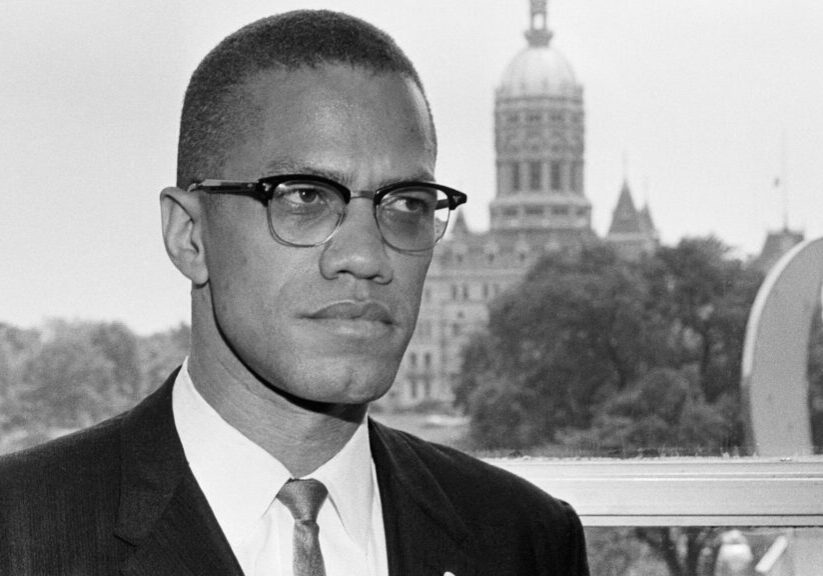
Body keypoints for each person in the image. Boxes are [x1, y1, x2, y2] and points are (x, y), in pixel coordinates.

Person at [0, 10, 589, 575]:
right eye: (304, 196)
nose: (365, 255)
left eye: (407, 202)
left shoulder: (526, 540)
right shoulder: (18, 533)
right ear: (190, 235)